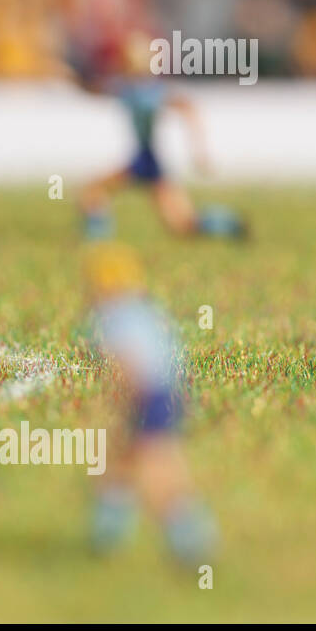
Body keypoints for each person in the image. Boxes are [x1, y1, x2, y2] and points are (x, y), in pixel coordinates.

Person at [83, 240, 218, 565]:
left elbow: (128, 365)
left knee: (157, 471)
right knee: (122, 459)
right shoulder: (143, 310)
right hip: (170, 391)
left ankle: (191, 540)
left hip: (150, 397)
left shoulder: (113, 318)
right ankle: (108, 528)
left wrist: (127, 404)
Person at [79, 37, 246, 241]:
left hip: (148, 161)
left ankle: (229, 224)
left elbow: (185, 107)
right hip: (144, 160)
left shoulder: (148, 92)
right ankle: (229, 224)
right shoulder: (128, 88)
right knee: (181, 224)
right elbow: (97, 89)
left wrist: (200, 151)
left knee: (182, 224)